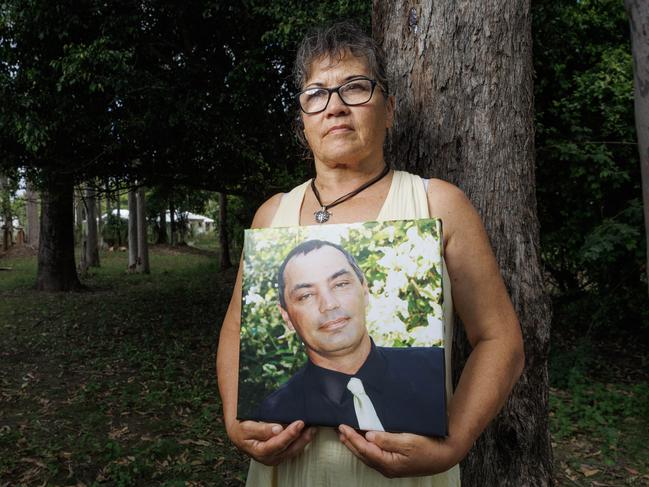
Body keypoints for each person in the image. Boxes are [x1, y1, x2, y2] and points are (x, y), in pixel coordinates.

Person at [216, 20, 524, 486]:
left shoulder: (438, 205)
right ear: (303, 119)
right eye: (316, 94)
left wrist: (454, 442)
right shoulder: (271, 215)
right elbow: (235, 329)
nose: (335, 106)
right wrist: (235, 422)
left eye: (355, 87)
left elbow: (500, 339)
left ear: (390, 108)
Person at [251, 239, 447, 437]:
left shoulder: (437, 369)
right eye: (306, 295)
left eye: (341, 284)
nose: (329, 305)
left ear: (365, 290)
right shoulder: (274, 414)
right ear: (287, 317)